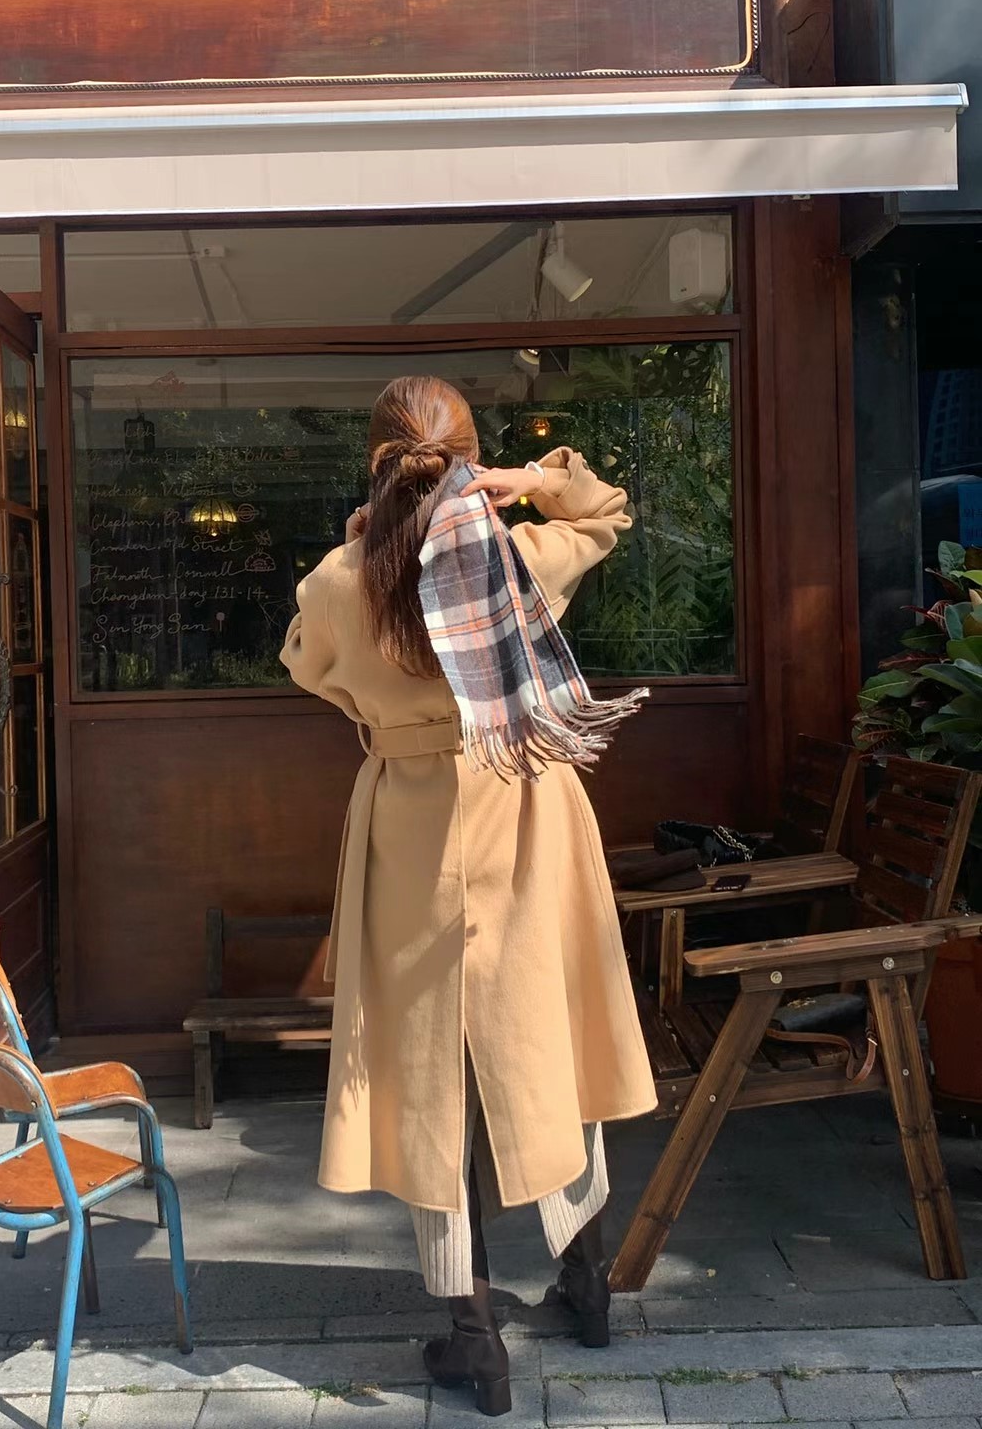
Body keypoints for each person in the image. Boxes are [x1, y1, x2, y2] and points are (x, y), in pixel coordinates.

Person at [281, 375, 656, 1417]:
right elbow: (605, 511)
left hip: (408, 825)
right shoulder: (517, 557)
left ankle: (474, 1335)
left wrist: (364, 542)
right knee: (548, 1038)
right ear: (467, 460)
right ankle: (586, 1282)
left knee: (426, 1073)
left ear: (375, 465)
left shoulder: (339, 581)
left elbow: (306, 664)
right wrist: (515, 480)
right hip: (525, 803)